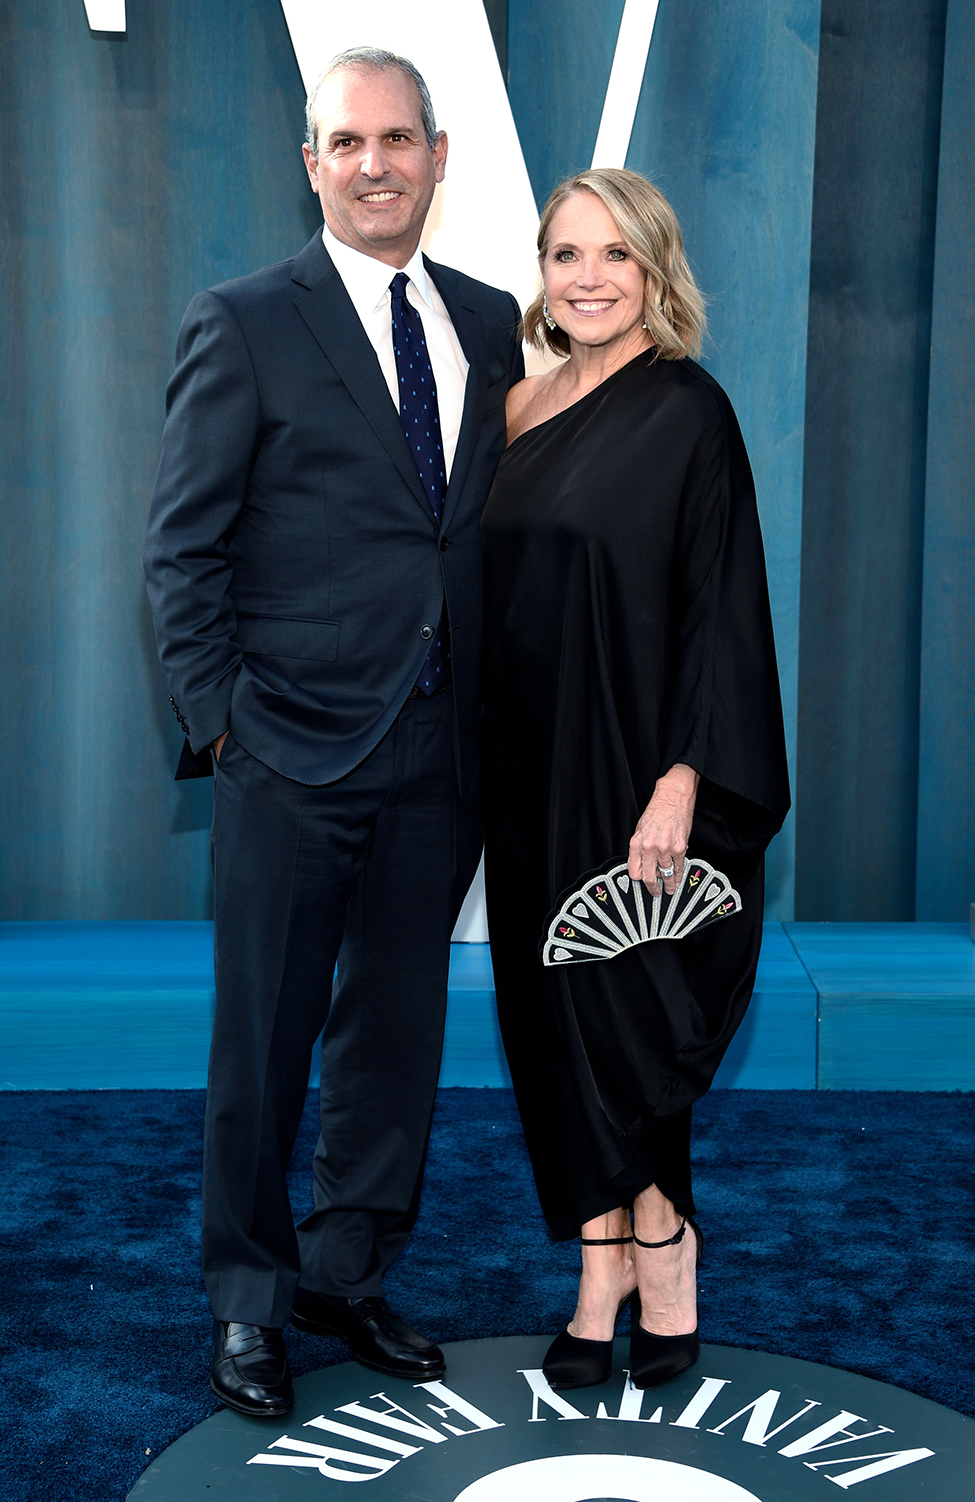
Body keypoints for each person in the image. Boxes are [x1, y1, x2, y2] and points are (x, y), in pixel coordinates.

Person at [144, 47, 523, 1417]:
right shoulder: (243, 322)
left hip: (440, 758)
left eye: (399, 140)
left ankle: (345, 1272)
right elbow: (180, 551)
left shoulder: (491, 322)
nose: (375, 164)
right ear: (313, 164)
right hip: (286, 755)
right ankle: (247, 1301)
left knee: (395, 1036)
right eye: (348, 142)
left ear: (437, 154)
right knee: (263, 1037)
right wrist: (225, 726)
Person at [481, 168, 789, 1392]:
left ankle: (662, 1252)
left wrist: (682, 777)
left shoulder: (689, 412)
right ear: (543, 275)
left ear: (655, 269)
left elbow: (724, 611)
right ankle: (599, 1262)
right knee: (553, 1022)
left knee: (633, 1019)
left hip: (640, 771)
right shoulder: (515, 409)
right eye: (566, 255)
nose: (589, 278)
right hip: (525, 768)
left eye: (615, 254)